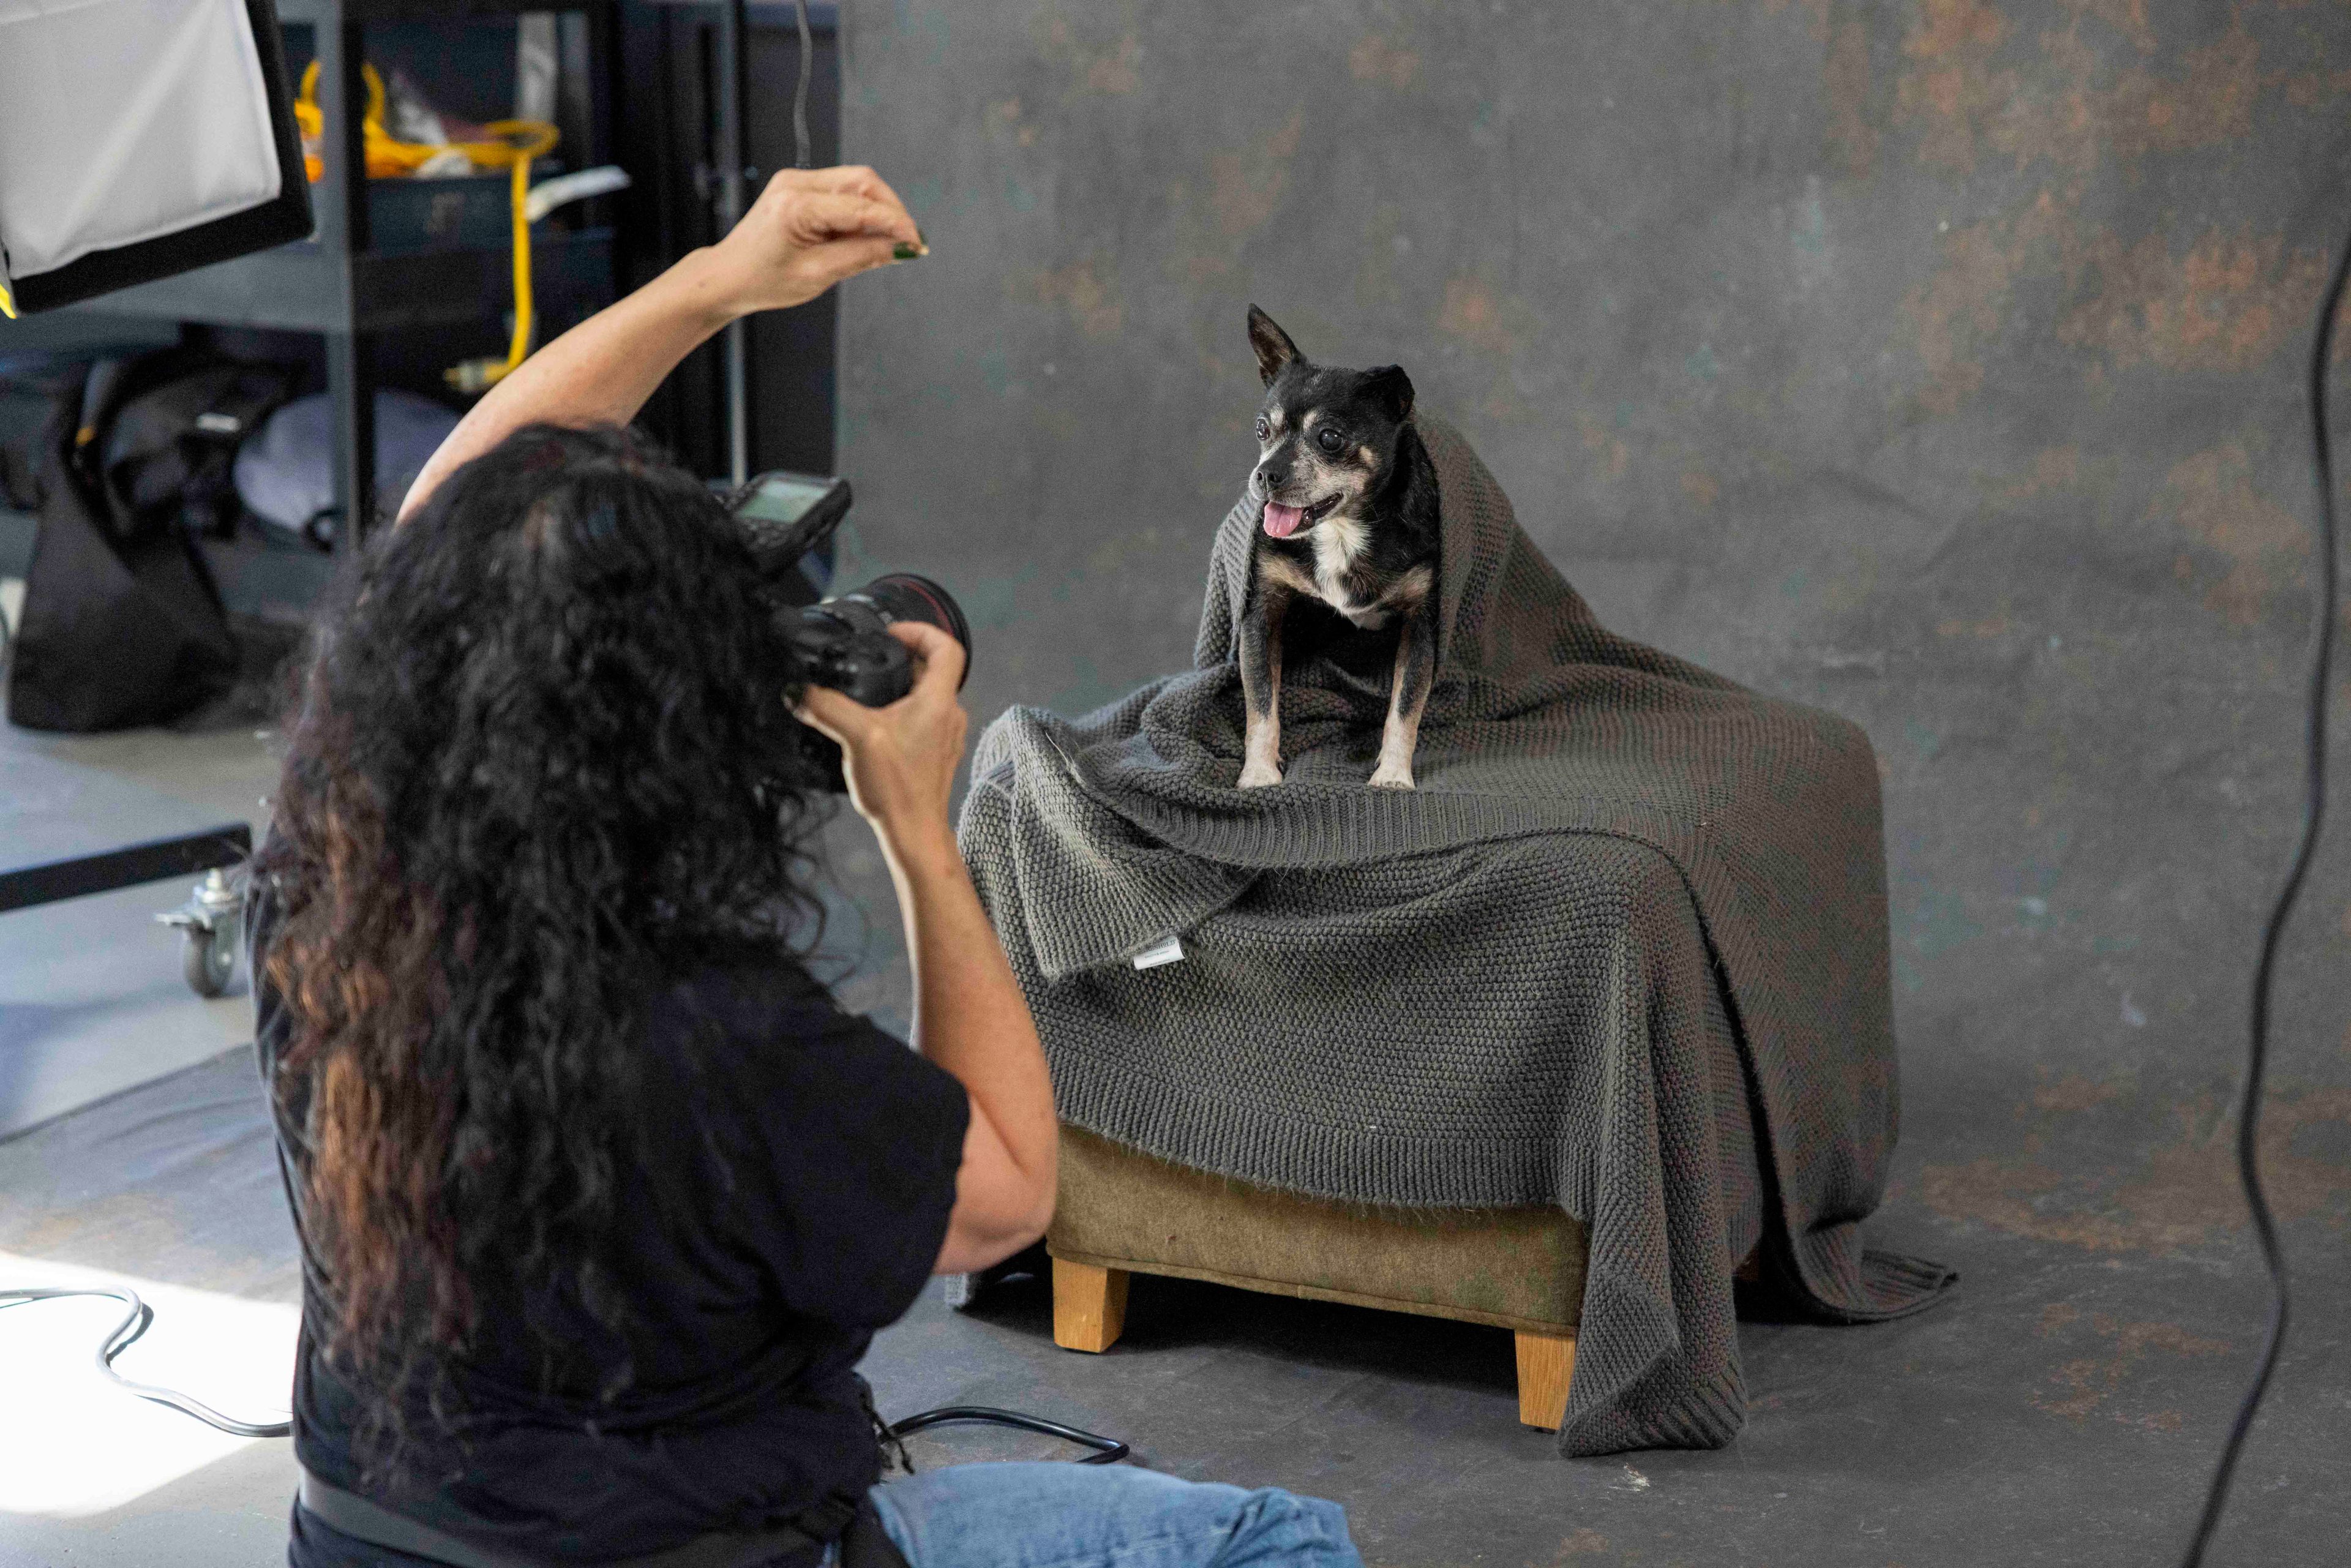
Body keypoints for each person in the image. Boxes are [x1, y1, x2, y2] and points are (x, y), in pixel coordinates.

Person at [250, 165, 1367, 1568]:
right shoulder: (732, 1046)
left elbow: (457, 516)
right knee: (1272, 1538)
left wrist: (721, 274)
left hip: (368, 1548)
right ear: (686, 734)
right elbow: (1014, 1185)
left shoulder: (318, 905)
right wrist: (917, 827)